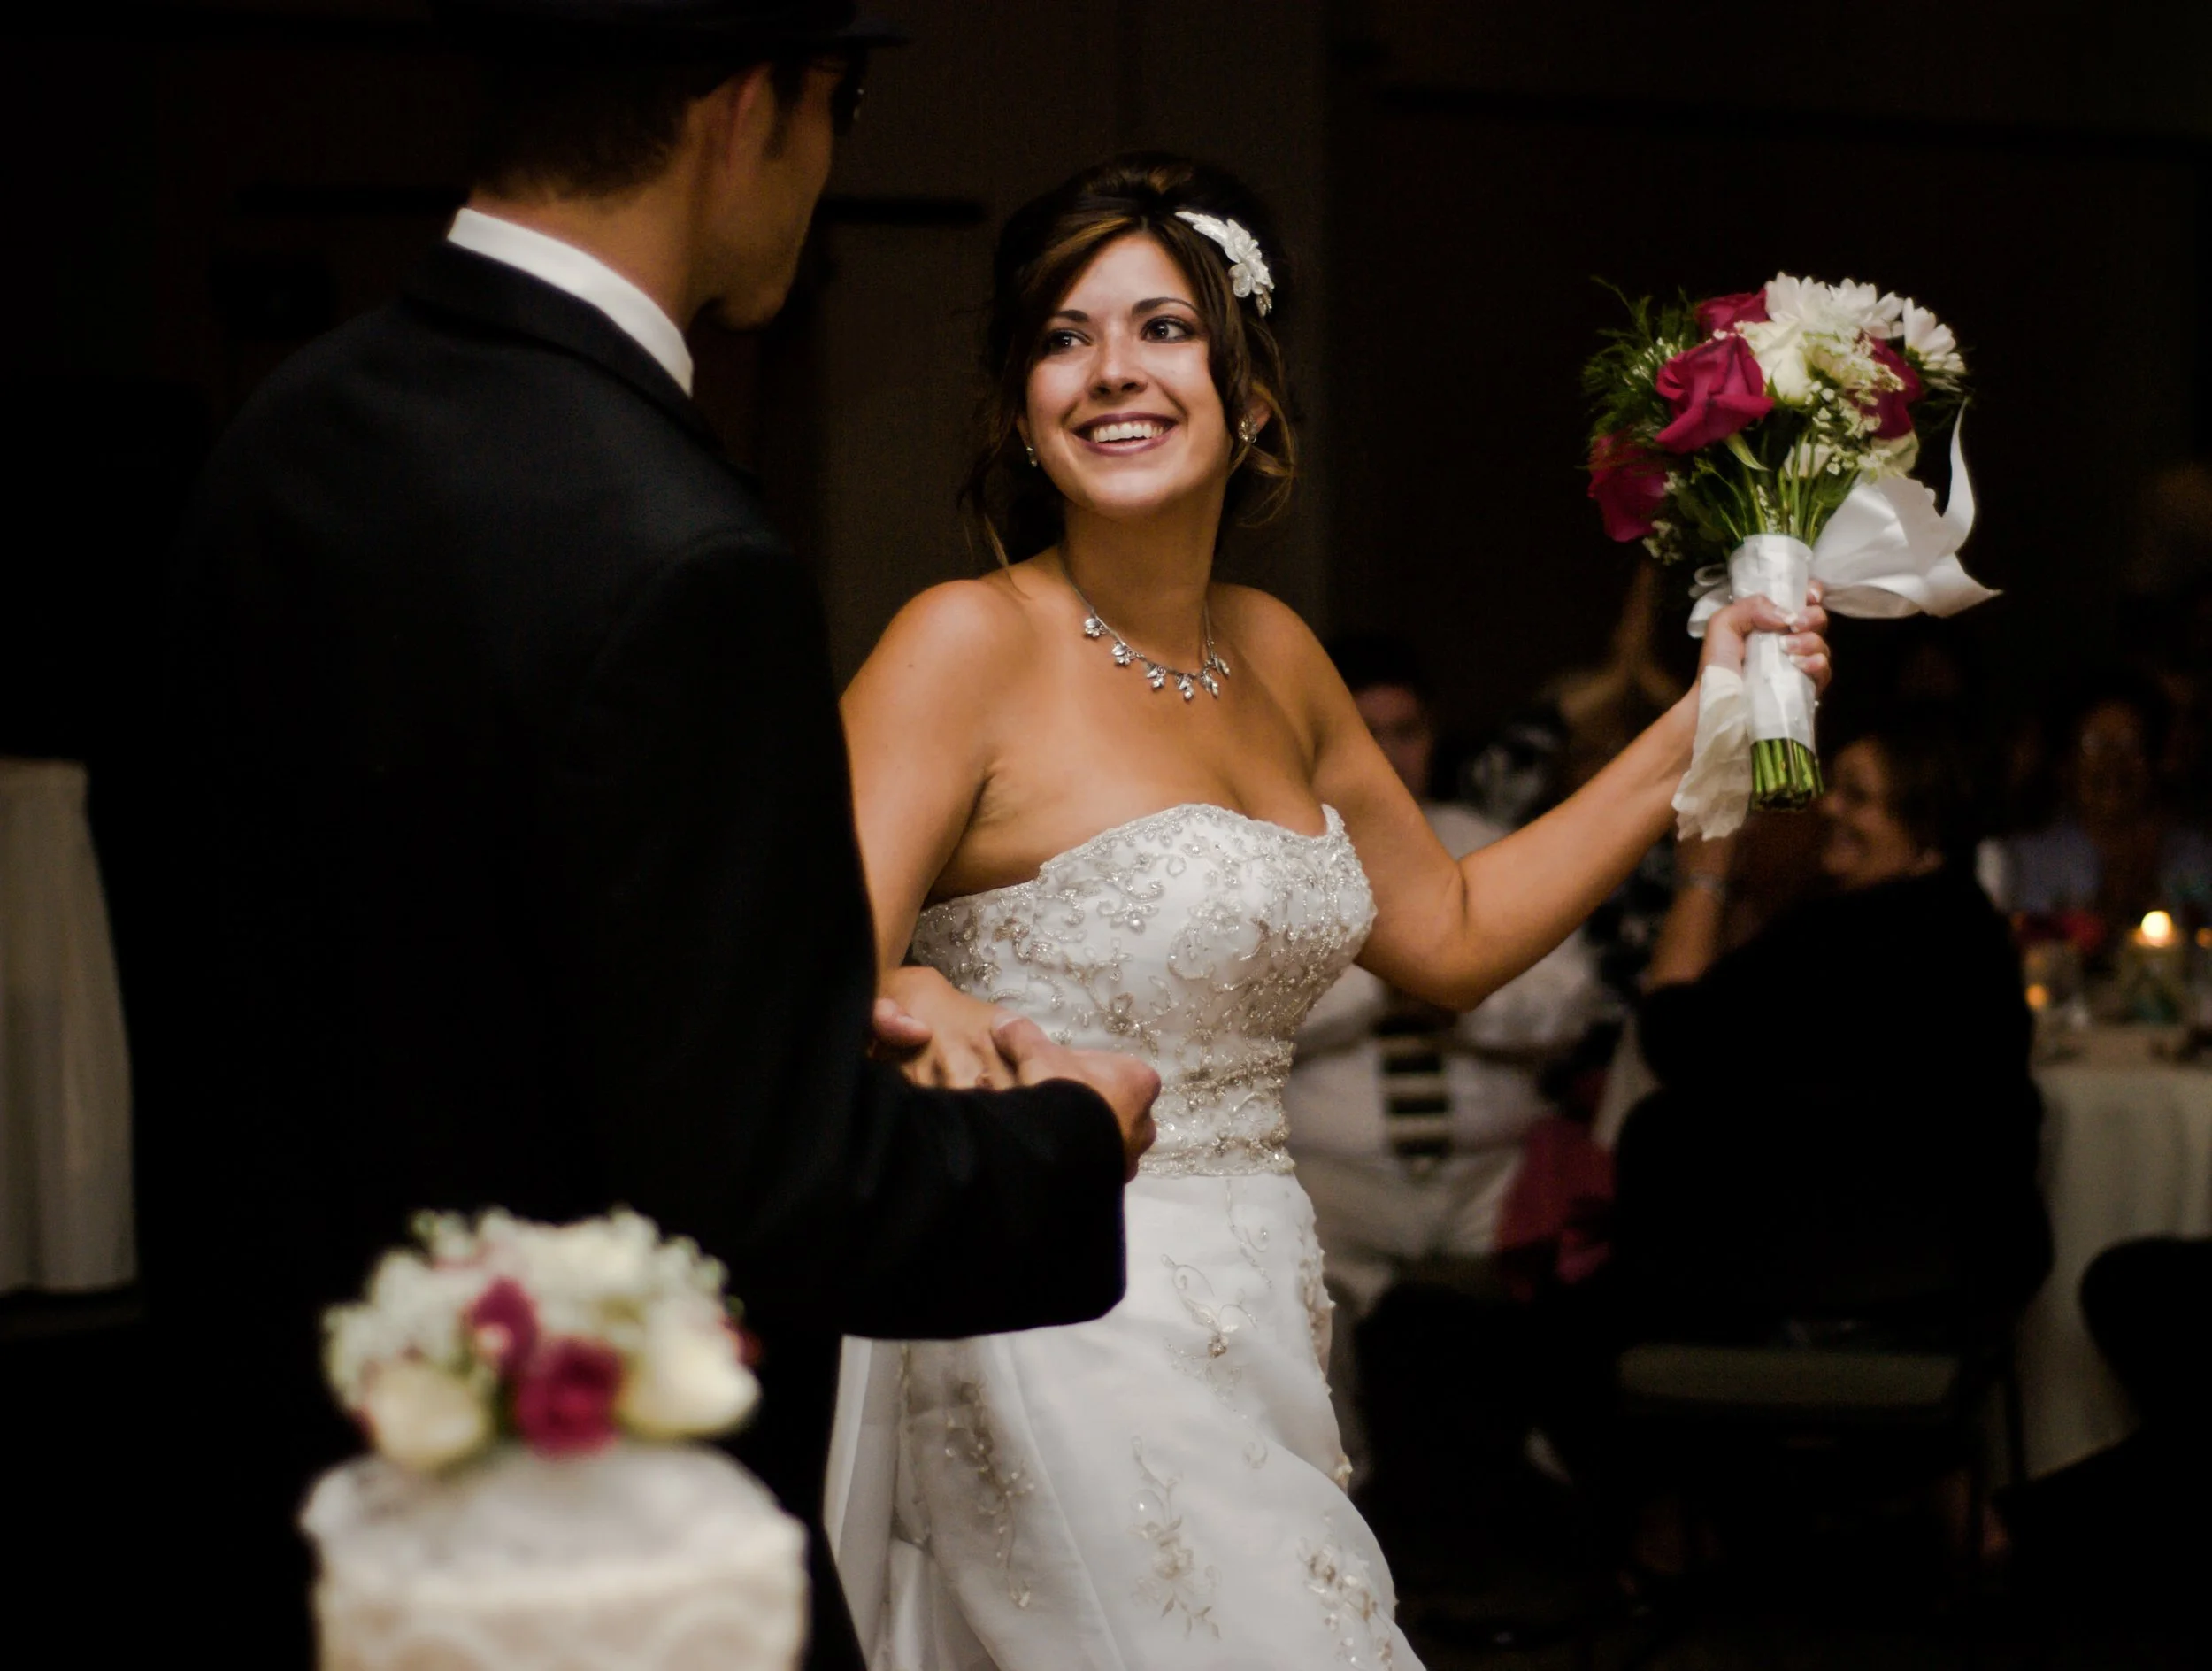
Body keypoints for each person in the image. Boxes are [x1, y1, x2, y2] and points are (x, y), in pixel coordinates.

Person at [131, 7, 1157, 1667]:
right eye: (845, 106)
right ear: (750, 107)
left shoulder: (273, 447)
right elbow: (764, 1203)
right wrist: (1066, 1136)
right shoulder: (680, 553)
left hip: (297, 1509)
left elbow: (377, 967)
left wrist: (784, 1010)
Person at [827, 154, 1828, 1670]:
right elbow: (798, 963)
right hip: (1050, 1310)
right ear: (1019, 406)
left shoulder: (1278, 654)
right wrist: (917, 987)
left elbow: (1455, 934)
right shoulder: (961, 643)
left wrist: (1700, 719)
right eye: (1062, 336)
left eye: (1163, 328)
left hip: (1262, 1304)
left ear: (1251, 390)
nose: (1112, 374)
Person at [1617, 716, 2050, 1338]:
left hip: (1823, 1274)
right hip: (1963, 1270)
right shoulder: (1972, 928)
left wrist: (1702, 878)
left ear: (1927, 835)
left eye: (1857, 796)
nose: (1828, 806)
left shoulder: (1844, 938)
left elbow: (1670, 1036)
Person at [1283, 634, 1602, 1467]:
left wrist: (1461, 1001)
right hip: (1335, 1181)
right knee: (1289, 1299)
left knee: (1595, 1263)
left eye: (1409, 732)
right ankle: (1348, 1505)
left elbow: (1567, 997)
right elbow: (1265, 1011)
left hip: (1488, 1182)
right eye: (1368, 733)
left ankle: (1557, 1488)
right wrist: (1399, 977)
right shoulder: (1284, 861)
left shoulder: (1481, 841)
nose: (1390, 755)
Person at [1992, 674, 2212, 928]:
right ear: (2066, 762)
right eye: (2095, 744)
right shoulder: (2022, 862)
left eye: (2129, 743)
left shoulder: (2195, 856)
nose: (2113, 762)